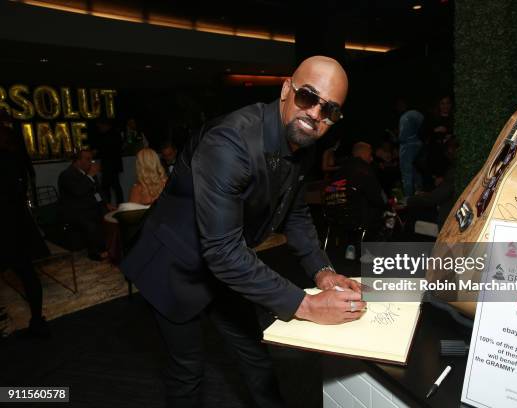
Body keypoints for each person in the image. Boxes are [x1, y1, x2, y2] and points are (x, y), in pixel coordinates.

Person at [121, 56, 365, 408]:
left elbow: (294, 214)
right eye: (308, 97)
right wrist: (307, 304)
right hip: (174, 264)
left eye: (330, 110)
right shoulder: (229, 142)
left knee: (256, 356)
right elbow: (222, 252)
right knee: (187, 373)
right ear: (286, 90)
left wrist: (322, 271)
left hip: (227, 268)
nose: (315, 114)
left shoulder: (302, 143)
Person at [0, 113, 50, 337]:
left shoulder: (11, 159)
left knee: (26, 273)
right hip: (16, 223)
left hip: (6, 224)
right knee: (28, 273)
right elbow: (21, 189)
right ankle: (37, 320)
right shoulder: (15, 158)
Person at [58, 149, 114, 261]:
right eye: (87, 159)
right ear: (77, 161)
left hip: (90, 207)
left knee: (110, 215)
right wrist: (89, 176)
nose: (91, 162)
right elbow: (78, 191)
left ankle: (110, 247)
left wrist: (106, 203)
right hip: (76, 210)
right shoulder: (67, 175)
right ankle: (95, 252)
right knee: (91, 219)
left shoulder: (89, 174)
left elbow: (98, 191)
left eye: (91, 159)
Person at [327, 142, 390, 240]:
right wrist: (389, 205)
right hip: (356, 219)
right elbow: (378, 199)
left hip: (334, 217)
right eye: (370, 155)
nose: (372, 158)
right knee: (386, 214)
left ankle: (351, 245)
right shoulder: (365, 171)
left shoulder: (339, 171)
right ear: (363, 154)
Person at [93, 119, 124, 204]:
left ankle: (108, 205)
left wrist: (97, 151)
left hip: (110, 165)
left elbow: (107, 150)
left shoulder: (109, 136)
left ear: (104, 125)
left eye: (100, 127)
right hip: (114, 165)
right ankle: (117, 205)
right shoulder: (115, 134)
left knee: (106, 187)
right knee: (114, 186)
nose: (99, 129)